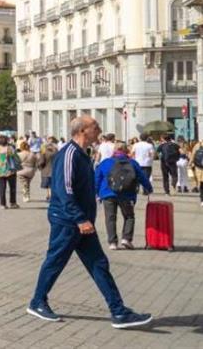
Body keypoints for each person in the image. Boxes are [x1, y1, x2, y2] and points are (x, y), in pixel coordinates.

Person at [27, 116, 151, 328]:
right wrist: (80, 218)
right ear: (83, 130)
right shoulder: (69, 153)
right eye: (95, 126)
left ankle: (118, 311)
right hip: (68, 220)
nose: (99, 130)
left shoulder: (83, 154)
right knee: (55, 261)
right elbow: (64, 191)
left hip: (82, 222)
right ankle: (37, 302)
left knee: (98, 264)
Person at [94, 141, 152, 250]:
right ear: (126, 150)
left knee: (110, 218)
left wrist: (96, 193)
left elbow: (97, 178)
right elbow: (142, 177)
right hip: (127, 194)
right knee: (129, 216)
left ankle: (112, 242)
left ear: (114, 150)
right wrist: (148, 188)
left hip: (107, 193)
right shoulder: (133, 163)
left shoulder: (106, 162)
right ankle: (126, 239)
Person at [0, 135, 21, 209]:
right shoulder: (10, 148)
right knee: (12, 187)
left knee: (2, 188)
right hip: (10, 170)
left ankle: (2, 204)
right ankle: (13, 203)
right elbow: (16, 157)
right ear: (7, 141)